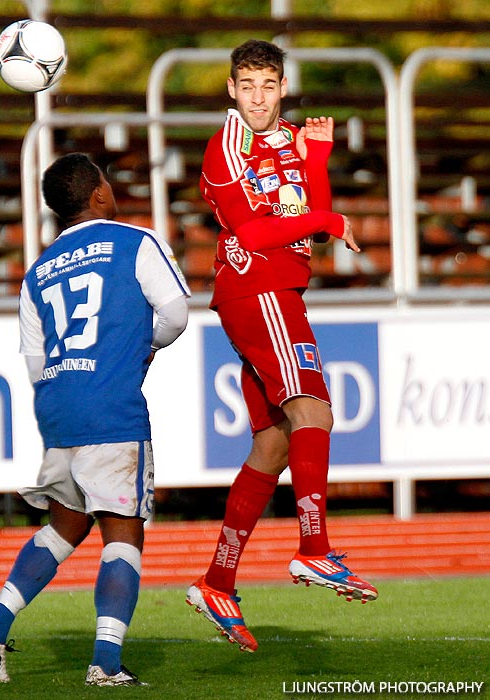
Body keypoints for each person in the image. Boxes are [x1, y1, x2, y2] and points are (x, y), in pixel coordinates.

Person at [0, 152, 190, 686]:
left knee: (66, 524)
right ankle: (105, 664)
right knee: (124, 533)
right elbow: (176, 313)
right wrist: (140, 346)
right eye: (107, 182)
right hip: (111, 406)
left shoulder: (38, 270)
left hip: (60, 411)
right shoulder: (137, 241)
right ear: (98, 196)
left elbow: (38, 364)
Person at [185, 39, 378, 653]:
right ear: (231, 89)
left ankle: (218, 581)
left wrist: (316, 157)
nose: (258, 97)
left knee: (272, 443)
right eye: (247, 85)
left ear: (283, 87)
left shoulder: (292, 138)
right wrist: (325, 221)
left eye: (268, 86)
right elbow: (255, 230)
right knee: (314, 411)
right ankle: (313, 548)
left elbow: (314, 216)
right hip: (257, 290)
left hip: (280, 293)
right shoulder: (225, 148)